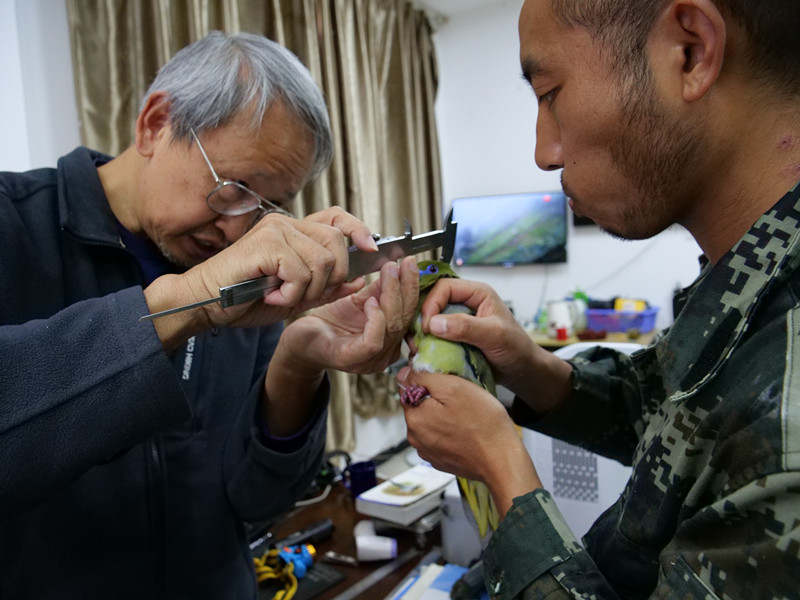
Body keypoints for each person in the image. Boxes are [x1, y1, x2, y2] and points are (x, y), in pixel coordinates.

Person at [399, 0, 800, 598]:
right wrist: (530, 369)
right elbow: (675, 421)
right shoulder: (751, 288)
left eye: (550, 93)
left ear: (689, 52)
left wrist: (501, 469)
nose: (545, 153)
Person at [0, 31, 419, 598]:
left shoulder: (239, 268)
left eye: (268, 206)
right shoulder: (14, 226)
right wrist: (185, 305)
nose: (238, 228)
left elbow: (258, 502)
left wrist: (297, 363)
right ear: (154, 124)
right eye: (234, 188)